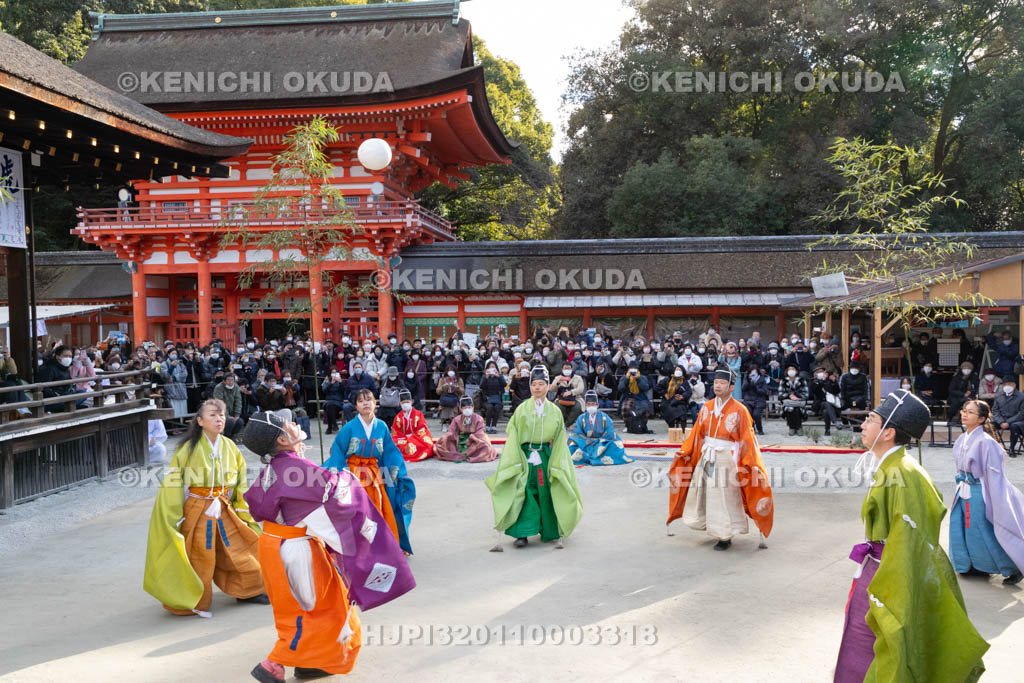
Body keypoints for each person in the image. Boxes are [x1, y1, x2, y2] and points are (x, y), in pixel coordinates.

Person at [242, 412, 415, 683]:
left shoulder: (278, 468)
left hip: (277, 545)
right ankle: (273, 664)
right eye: (289, 423)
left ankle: (311, 662)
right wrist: (348, 480)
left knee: (309, 606)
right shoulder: (295, 469)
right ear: (282, 438)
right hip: (296, 548)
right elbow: (337, 499)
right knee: (320, 609)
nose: (297, 423)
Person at [833, 390, 988, 682]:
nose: (864, 424)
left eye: (871, 419)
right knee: (862, 640)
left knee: (885, 646)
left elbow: (907, 541)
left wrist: (896, 593)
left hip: (892, 573)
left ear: (889, 432)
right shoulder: (892, 466)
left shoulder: (905, 474)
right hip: (879, 567)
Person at [143, 399, 267, 616]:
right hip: (197, 508)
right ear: (199, 421)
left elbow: (239, 482)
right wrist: (174, 516)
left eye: (221, 415)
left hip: (224, 506)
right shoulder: (186, 449)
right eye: (212, 415)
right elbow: (174, 483)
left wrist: (243, 509)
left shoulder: (229, 446)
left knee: (242, 547)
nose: (219, 419)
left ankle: (248, 590)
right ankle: (192, 599)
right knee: (199, 555)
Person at [666, 366, 773, 551]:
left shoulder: (740, 410)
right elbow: (697, 435)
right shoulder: (706, 407)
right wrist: (686, 451)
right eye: (716, 382)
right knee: (706, 492)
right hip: (707, 455)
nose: (718, 386)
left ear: (732, 387)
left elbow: (747, 439)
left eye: (722, 383)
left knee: (725, 497)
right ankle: (711, 526)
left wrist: (748, 462)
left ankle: (726, 534)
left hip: (726, 456)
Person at [486, 365, 583, 550]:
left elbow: (560, 439)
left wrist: (556, 462)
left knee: (547, 491)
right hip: (525, 456)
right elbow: (513, 436)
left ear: (548, 386)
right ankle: (522, 533)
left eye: (541, 384)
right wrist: (518, 458)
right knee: (524, 491)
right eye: (534, 384)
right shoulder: (522, 409)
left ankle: (549, 530)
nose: (537, 388)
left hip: (546, 456)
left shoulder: (555, 411)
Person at [324, 389, 415, 554]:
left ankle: (378, 544)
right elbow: (337, 449)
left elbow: (390, 450)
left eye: (369, 400)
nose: (365, 403)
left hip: (373, 473)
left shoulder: (381, 426)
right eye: (361, 401)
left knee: (379, 506)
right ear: (356, 406)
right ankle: (357, 546)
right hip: (352, 472)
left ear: (375, 403)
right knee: (355, 509)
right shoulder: (349, 428)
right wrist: (340, 473)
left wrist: (395, 470)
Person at [949, 400, 1024, 585]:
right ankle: (973, 565)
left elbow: (994, 475)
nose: (965, 414)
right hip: (963, 488)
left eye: (971, 412)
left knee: (982, 530)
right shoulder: (962, 438)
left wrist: (997, 500)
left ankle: (1011, 567)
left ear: (982, 418)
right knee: (962, 527)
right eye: (964, 410)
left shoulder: (986, 442)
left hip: (979, 491)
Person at [568, 391, 632, 466]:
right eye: (588, 404)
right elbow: (577, 433)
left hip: (602, 443)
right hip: (586, 443)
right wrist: (587, 440)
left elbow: (610, 432)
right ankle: (595, 456)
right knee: (572, 442)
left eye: (593, 404)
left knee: (616, 445)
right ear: (585, 406)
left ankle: (588, 456)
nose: (590, 406)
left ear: (597, 405)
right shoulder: (581, 418)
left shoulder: (605, 417)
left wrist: (598, 441)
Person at [435, 395, 499, 463]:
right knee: (444, 441)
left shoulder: (478, 418)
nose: (467, 409)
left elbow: (480, 432)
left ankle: (471, 454)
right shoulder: (457, 419)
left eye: (469, 407)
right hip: (460, 439)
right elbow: (451, 431)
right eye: (465, 408)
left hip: (475, 439)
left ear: (473, 407)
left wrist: (472, 437)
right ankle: (462, 454)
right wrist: (454, 436)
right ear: (461, 408)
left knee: (486, 448)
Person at [391, 390, 435, 462]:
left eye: (407, 402)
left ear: (411, 401)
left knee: (426, 443)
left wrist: (411, 438)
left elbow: (422, 429)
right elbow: (395, 432)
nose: (406, 404)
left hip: (417, 437)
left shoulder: (418, 414)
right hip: (403, 438)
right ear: (400, 403)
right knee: (392, 443)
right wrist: (405, 438)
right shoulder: (398, 417)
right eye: (403, 402)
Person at [992, 377, 1024, 456]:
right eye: (1005, 384)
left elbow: (1022, 413)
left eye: (1010, 384)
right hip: (1002, 420)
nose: (1007, 386)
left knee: (1014, 426)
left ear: (1014, 385)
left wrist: (1008, 422)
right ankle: (992, 447)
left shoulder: (1021, 396)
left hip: (1017, 420)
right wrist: (1001, 421)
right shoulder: (999, 395)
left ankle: (1011, 448)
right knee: (988, 425)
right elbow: (995, 410)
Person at [550, 360, 586, 427]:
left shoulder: (578, 378)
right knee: (559, 407)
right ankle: (561, 424)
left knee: (577, 407)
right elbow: (552, 389)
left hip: (576, 398)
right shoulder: (558, 377)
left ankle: (567, 424)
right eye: (565, 368)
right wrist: (558, 382)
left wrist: (571, 392)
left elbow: (581, 389)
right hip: (561, 398)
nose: (567, 370)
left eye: (569, 368)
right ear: (562, 369)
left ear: (572, 369)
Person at [657, 365, 692, 430]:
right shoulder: (667, 380)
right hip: (668, 401)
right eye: (677, 370)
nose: (678, 371)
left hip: (679, 401)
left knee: (681, 411)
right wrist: (664, 394)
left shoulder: (684, 382)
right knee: (669, 409)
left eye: (680, 370)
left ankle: (683, 429)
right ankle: (671, 428)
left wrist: (682, 396)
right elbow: (658, 387)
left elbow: (688, 392)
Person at [780, 367, 809, 436]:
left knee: (797, 409)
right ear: (787, 371)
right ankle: (792, 427)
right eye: (789, 369)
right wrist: (789, 395)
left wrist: (797, 397)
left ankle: (798, 427)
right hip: (788, 401)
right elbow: (780, 394)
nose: (791, 371)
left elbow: (806, 394)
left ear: (796, 371)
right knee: (790, 409)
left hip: (799, 401)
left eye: (793, 369)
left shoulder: (802, 380)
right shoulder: (783, 381)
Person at [479, 362, 506, 434]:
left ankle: (494, 426)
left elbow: (504, 384)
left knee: (497, 407)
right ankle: (487, 426)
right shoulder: (485, 376)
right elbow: (481, 386)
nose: (492, 368)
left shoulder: (499, 375)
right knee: (490, 407)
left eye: (493, 367)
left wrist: (498, 377)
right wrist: (486, 377)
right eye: (490, 367)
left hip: (497, 398)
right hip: (487, 399)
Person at [741, 366, 769, 436]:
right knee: (748, 413)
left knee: (756, 414)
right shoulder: (747, 378)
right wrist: (748, 382)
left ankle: (760, 429)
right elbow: (743, 388)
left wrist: (757, 388)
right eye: (751, 372)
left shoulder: (762, 379)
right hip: (748, 400)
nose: (753, 374)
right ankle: (751, 428)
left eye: (754, 373)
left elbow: (765, 391)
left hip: (759, 400)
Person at [321, 369, 347, 434]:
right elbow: (324, 391)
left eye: (335, 373)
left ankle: (330, 428)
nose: (334, 374)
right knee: (329, 405)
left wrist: (341, 382)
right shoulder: (327, 381)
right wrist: (330, 383)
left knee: (329, 406)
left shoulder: (340, 382)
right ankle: (334, 425)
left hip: (338, 402)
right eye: (333, 373)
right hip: (328, 401)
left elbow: (344, 392)